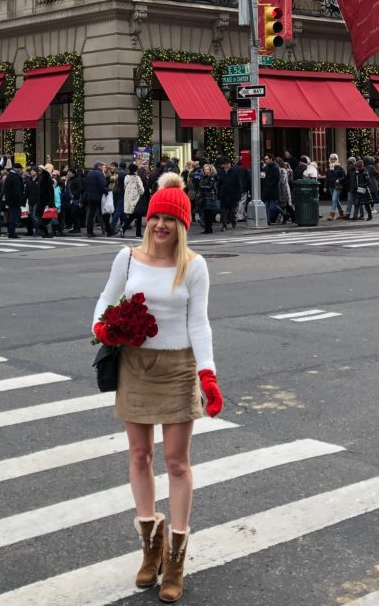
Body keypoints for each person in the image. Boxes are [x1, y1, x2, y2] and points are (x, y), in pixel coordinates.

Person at [92, 172, 221, 603]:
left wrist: (208, 374)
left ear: (182, 225)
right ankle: (150, 546)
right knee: (139, 455)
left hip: (178, 366)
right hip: (135, 365)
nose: (160, 225)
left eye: (169, 218)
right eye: (155, 217)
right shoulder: (126, 259)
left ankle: (177, 556)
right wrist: (102, 326)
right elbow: (105, 299)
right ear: (146, 220)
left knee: (177, 462)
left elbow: (199, 323)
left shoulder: (194, 265)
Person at [85, 161, 110, 237]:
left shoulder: (89, 173)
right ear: (99, 166)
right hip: (98, 197)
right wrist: (107, 192)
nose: (103, 167)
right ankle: (109, 231)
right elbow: (103, 185)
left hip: (90, 197)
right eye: (102, 166)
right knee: (105, 214)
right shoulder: (99, 174)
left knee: (91, 214)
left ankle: (89, 231)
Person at [3, 162, 26, 239]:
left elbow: (5, 189)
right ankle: (12, 233)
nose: (20, 171)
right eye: (20, 169)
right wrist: (20, 201)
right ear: (17, 169)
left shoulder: (9, 176)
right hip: (15, 201)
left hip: (10, 200)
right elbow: (18, 191)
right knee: (14, 217)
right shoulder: (16, 177)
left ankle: (11, 232)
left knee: (12, 217)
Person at [216, 158, 240, 232]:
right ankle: (224, 225)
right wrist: (219, 193)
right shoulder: (221, 173)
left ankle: (233, 221)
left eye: (228, 164)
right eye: (225, 164)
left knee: (232, 212)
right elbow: (219, 184)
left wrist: (238, 195)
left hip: (232, 195)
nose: (226, 166)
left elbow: (238, 185)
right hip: (223, 195)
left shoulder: (235, 172)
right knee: (223, 212)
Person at [196, 163, 219, 234]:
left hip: (209, 197)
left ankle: (209, 228)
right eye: (205, 169)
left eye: (208, 169)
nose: (206, 171)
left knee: (209, 213)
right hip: (203, 197)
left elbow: (210, 187)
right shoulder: (202, 177)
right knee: (205, 213)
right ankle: (207, 228)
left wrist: (202, 187)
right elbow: (200, 185)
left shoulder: (211, 177)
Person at [36, 162, 56, 238]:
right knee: (47, 217)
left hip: (42, 201)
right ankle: (43, 229)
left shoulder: (43, 176)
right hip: (46, 201)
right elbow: (47, 191)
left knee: (46, 217)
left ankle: (45, 233)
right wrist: (49, 202)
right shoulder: (46, 176)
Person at [261, 154, 281, 224]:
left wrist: (269, 184)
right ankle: (267, 221)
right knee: (266, 207)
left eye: (266, 159)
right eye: (265, 159)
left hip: (272, 190)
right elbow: (263, 177)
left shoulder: (275, 167)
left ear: (271, 159)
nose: (265, 161)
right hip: (266, 190)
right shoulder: (265, 168)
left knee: (273, 207)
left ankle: (284, 214)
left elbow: (276, 179)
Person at [326, 154, 346, 221]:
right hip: (330, 186)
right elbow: (327, 178)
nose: (333, 160)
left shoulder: (339, 168)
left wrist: (339, 180)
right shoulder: (329, 168)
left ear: (336, 159)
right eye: (331, 159)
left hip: (337, 186)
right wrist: (325, 186)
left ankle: (332, 215)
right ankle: (341, 214)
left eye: (334, 159)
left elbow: (344, 176)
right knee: (336, 200)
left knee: (334, 199)